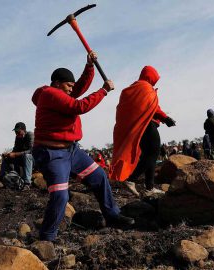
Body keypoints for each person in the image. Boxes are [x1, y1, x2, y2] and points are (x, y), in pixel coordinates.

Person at [32, 51, 134, 241]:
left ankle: (112, 215)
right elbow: (79, 106)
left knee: (99, 176)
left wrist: (89, 66)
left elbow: (78, 89)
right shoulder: (49, 94)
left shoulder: (60, 93)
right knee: (61, 196)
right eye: (68, 86)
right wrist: (103, 90)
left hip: (72, 151)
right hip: (52, 153)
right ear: (56, 84)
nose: (71, 90)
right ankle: (46, 237)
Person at [110, 66, 176, 197]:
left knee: (149, 154)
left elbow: (140, 107)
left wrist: (163, 117)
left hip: (137, 126)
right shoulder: (146, 88)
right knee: (153, 152)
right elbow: (154, 108)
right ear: (151, 76)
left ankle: (149, 187)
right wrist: (165, 118)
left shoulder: (131, 89)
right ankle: (131, 180)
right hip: (147, 124)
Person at [0, 122, 34, 187]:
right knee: (7, 158)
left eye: (18, 131)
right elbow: (15, 150)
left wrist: (15, 154)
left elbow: (31, 151)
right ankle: (1, 178)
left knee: (27, 156)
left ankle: (27, 183)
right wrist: (9, 154)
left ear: (24, 130)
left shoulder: (30, 135)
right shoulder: (18, 138)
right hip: (22, 159)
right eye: (16, 132)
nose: (16, 133)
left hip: (32, 160)